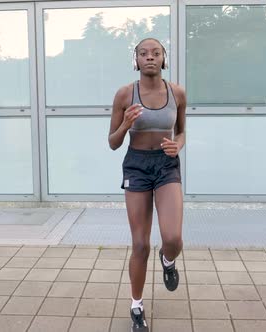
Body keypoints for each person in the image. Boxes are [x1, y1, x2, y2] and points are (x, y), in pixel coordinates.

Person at [108, 38, 186, 331]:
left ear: (164, 59)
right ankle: (137, 307)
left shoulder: (176, 92)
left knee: (173, 239)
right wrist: (126, 124)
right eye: (143, 54)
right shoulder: (125, 94)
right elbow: (113, 142)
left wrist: (177, 145)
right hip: (137, 166)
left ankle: (168, 260)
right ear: (136, 60)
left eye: (156, 53)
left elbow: (182, 132)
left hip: (166, 167)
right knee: (140, 245)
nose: (150, 57)